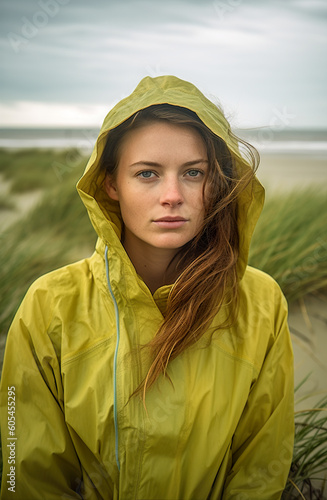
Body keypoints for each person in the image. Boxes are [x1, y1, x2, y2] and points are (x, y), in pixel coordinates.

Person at [0, 75, 294, 499]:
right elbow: (24, 474)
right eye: (147, 174)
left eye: (194, 173)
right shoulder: (50, 304)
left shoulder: (261, 303)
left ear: (218, 185)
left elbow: (261, 469)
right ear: (112, 184)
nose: (172, 195)